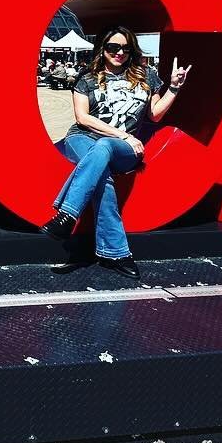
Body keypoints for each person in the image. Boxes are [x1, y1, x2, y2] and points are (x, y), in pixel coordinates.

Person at [41, 26, 192, 268]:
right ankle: (115, 254)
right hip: (82, 138)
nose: (119, 52)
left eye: (125, 48)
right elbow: (82, 118)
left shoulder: (146, 76)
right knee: (103, 175)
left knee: (104, 148)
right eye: (113, 47)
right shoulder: (87, 78)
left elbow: (154, 115)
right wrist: (123, 134)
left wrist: (174, 88)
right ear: (103, 49)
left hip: (122, 148)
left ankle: (67, 215)